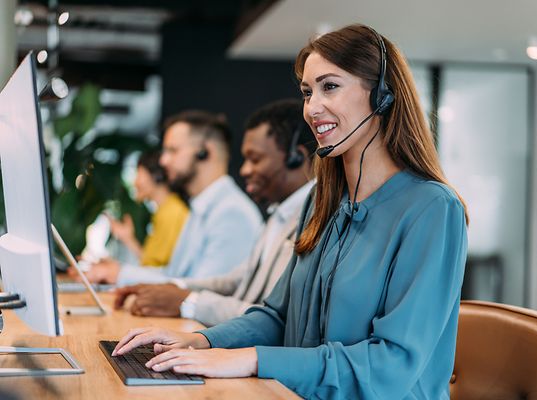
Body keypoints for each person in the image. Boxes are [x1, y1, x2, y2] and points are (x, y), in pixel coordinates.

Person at [111, 24, 469, 399]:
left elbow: (391, 365)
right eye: (307, 92)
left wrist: (252, 360)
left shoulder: (432, 209)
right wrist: (199, 340)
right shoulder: (323, 200)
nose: (312, 108)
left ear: (381, 96)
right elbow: (279, 317)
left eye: (329, 86)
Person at [113, 99, 316, 326]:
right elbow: (235, 280)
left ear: (296, 158)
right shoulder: (278, 214)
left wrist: (186, 300)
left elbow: (276, 318)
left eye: (255, 159)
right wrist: (173, 289)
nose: (244, 169)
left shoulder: (307, 219)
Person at [83, 111, 263, 285]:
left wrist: (121, 273)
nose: (163, 161)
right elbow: (173, 275)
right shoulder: (202, 207)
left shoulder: (231, 213)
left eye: (173, 150)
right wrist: (119, 271)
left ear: (205, 152)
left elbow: (201, 289)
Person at [108, 150, 189, 267]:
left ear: (156, 175)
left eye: (139, 173)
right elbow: (151, 263)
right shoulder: (167, 209)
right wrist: (128, 239)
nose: (135, 182)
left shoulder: (172, 212)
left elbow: (156, 269)